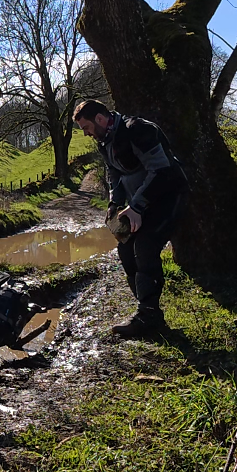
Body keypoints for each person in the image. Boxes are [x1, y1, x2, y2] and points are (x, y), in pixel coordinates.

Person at [73, 99, 188, 337]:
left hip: (169, 195)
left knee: (145, 246)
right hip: (141, 205)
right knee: (125, 251)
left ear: (101, 119)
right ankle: (148, 312)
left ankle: (148, 316)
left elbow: (161, 170)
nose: (85, 134)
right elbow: (115, 175)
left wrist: (136, 205)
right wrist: (115, 203)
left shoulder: (138, 129)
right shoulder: (104, 142)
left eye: (86, 127)